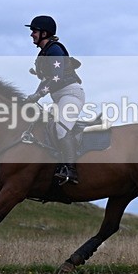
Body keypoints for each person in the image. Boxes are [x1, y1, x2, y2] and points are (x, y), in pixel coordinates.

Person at [23, 15, 84, 185]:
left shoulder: (55, 49)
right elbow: (45, 80)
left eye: (34, 31)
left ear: (44, 32)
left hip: (71, 94)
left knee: (61, 129)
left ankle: (71, 171)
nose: (32, 34)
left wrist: (38, 95)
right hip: (59, 97)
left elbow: (57, 77)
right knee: (44, 128)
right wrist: (30, 98)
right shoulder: (44, 53)